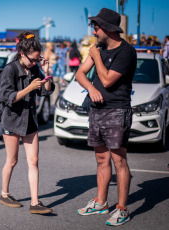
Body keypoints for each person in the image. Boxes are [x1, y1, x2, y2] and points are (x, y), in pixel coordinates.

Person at [75, 8, 136, 226]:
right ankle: (101, 202)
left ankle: (122, 208)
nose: (93, 31)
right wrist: (91, 89)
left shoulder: (126, 52)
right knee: (101, 158)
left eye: (96, 26)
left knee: (119, 160)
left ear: (108, 28)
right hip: (97, 110)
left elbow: (108, 80)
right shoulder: (98, 48)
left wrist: (96, 57)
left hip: (117, 110)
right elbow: (79, 73)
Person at [0, 32, 54, 214]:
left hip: (30, 120)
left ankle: (35, 202)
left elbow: (45, 92)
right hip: (12, 120)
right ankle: (4, 194)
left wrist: (47, 73)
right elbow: (6, 97)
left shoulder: (35, 68)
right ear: (22, 54)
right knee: (12, 160)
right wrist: (28, 87)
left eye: (38, 59)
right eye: (33, 59)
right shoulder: (10, 70)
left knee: (34, 161)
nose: (35, 62)